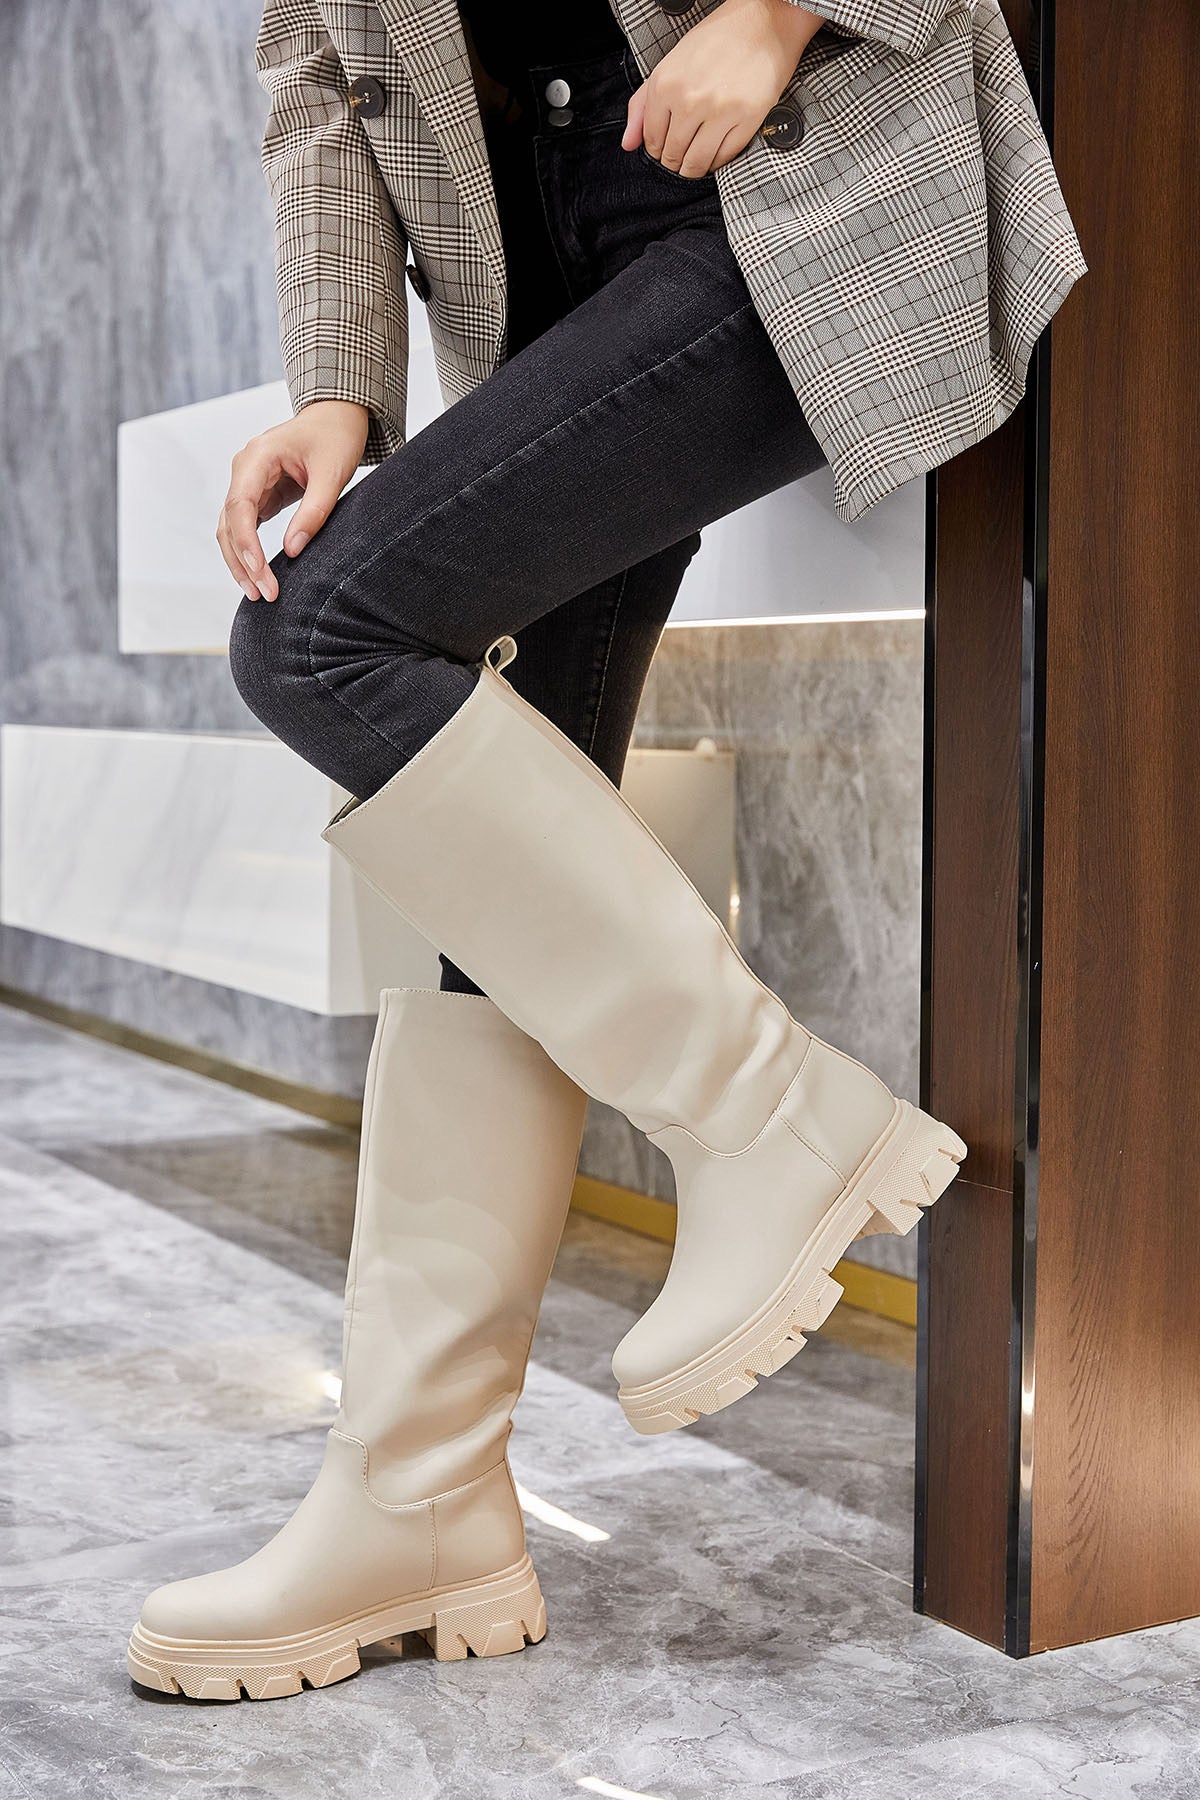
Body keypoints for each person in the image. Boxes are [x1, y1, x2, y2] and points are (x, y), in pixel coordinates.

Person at [127, 0, 1084, 1701]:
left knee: (321, 638)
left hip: (776, 176)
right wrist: (339, 383)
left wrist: (776, 14)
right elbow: (312, 51)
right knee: (491, 843)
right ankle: (420, 1501)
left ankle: (764, 1108)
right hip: (538, 250)